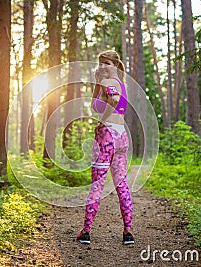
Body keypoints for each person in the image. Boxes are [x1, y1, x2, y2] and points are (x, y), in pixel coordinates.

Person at [76, 50, 134, 245]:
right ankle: (128, 232)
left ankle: (85, 232)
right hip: (122, 137)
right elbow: (103, 101)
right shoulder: (121, 84)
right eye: (100, 63)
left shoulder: (110, 83)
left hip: (107, 137)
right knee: (122, 185)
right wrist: (97, 81)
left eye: (106, 63)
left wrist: (102, 121)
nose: (102, 67)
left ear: (116, 65)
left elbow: (114, 101)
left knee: (97, 185)